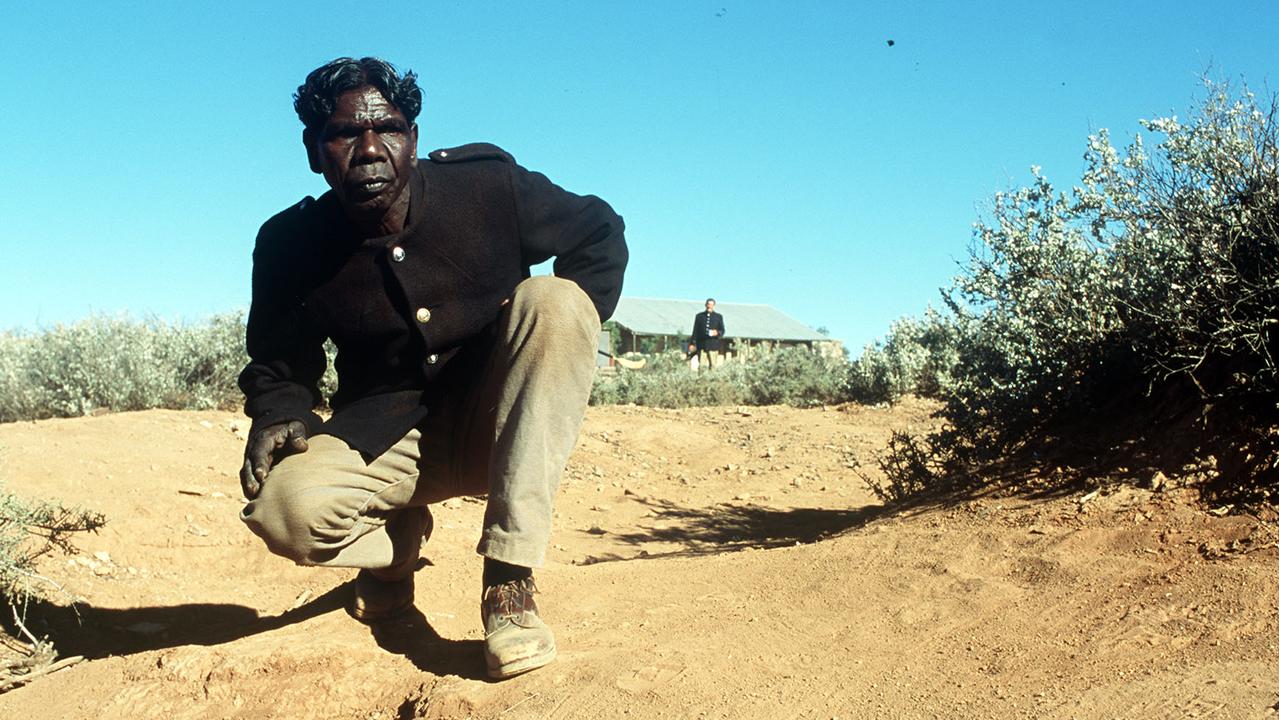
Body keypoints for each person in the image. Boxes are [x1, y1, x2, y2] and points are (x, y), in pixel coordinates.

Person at [235, 57, 627, 680]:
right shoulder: (291, 244)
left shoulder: (487, 186)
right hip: (388, 438)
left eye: (386, 129)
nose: (368, 150)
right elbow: (281, 362)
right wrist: (281, 411)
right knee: (284, 510)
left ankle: (509, 582)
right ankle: (396, 549)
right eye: (343, 134)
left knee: (555, 301)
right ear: (314, 151)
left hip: (497, 425)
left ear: (412, 140)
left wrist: (560, 348)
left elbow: (599, 231)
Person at [690, 298, 726, 369]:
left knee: (713, 365)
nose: (709, 306)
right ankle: (701, 379)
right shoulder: (699, 316)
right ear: (706, 305)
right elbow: (695, 331)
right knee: (701, 366)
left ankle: (712, 379)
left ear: (714, 306)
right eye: (708, 304)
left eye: (711, 305)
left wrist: (717, 333)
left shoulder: (718, 317)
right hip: (702, 345)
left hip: (713, 345)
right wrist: (692, 343)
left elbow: (722, 330)